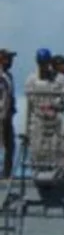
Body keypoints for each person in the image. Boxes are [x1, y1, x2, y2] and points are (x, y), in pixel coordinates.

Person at [25, 48, 64, 176]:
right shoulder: (31, 80)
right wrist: (27, 129)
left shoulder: (59, 79)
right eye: (41, 63)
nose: (43, 66)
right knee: (37, 149)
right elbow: (30, 102)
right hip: (38, 120)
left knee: (56, 148)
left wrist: (53, 105)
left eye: (45, 63)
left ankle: (57, 173)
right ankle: (38, 172)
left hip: (54, 120)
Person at [0, 49, 15, 178]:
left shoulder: (8, 76)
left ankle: (6, 173)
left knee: (10, 145)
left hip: (7, 116)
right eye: (7, 58)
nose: (10, 61)